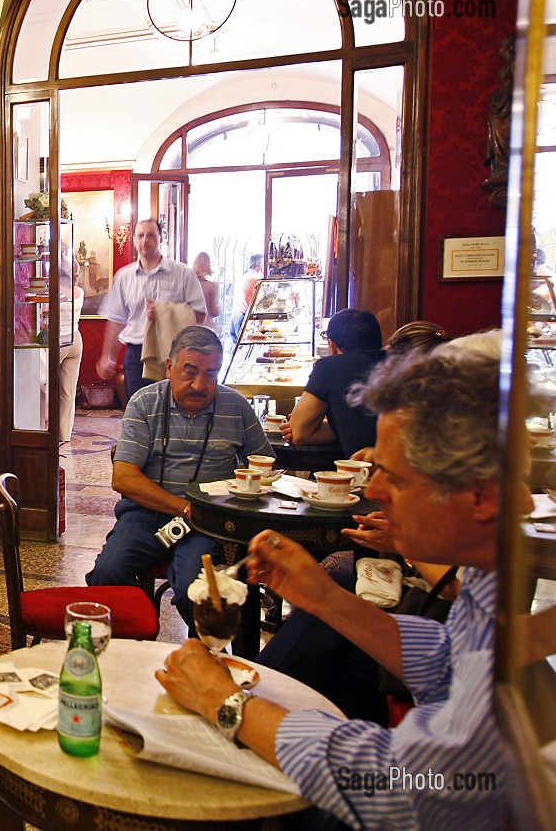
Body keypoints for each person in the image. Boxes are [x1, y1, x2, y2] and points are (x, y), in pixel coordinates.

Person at [157, 340, 513, 829]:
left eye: (395, 478)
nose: (373, 490)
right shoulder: (490, 578)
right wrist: (325, 599)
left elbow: (416, 788)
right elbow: (449, 659)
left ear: (482, 496)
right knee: (326, 641)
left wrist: (226, 702)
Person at [85, 325, 272, 632]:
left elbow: (264, 466)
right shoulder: (145, 403)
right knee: (107, 573)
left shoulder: (236, 406)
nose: (200, 385)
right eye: (190, 372)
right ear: (169, 367)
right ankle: (136, 639)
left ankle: (204, 653)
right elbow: (124, 479)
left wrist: (241, 493)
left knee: (194, 591)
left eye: (211, 374)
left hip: (208, 522)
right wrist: (185, 508)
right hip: (146, 515)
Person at [96, 218, 207, 401]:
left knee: (173, 407)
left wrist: (165, 311)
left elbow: (200, 314)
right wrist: (108, 356)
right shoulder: (124, 277)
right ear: (133, 239)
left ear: (160, 238)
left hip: (173, 352)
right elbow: (116, 319)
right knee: (138, 408)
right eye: (140, 235)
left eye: (151, 235)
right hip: (136, 354)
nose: (145, 240)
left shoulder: (183, 273)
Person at [282, 307, 386, 456]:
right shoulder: (400, 365)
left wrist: (320, 424)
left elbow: (299, 433)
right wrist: (344, 425)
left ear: (332, 345)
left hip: (361, 467)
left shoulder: (330, 367)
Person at [59, 255, 85, 456]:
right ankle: (64, 434)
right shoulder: (80, 292)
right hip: (75, 340)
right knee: (68, 392)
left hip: (57, 341)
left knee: (44, 388)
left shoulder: (55, 292)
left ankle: (42, 429)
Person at [230, 253, 265, 342]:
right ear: (259, 264)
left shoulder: (244, 276)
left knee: (237, 347)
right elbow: (260, 303)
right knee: (244, 346)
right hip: (243, 318)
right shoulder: (255, 279)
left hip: (235, 317)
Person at [192, 251, 221, 331]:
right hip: (206, 327)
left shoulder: (189, 284)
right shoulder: (211, 286)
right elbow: (215, 312)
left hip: (190, 326)